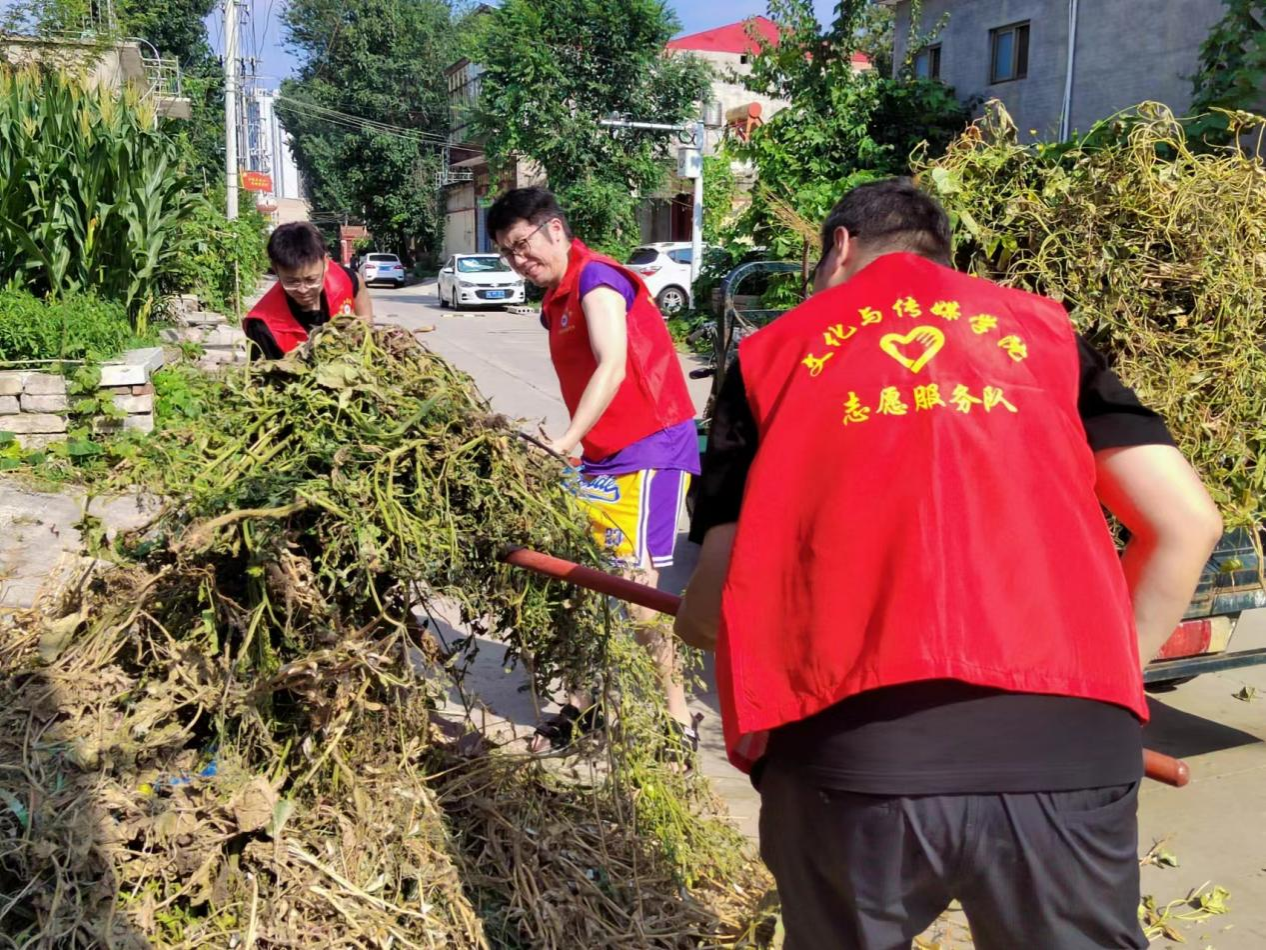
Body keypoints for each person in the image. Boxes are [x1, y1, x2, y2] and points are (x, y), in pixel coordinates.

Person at [674, 178, 1223, 949]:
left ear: (840, 248)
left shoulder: (775, 353)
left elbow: (719, 592)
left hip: (857, 761)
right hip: (1069, 748)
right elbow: (1188, 524)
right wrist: (1106, 677)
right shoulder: (1045, 335)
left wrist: (695, 622)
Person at [486, 187, 702, 755]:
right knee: (582, 579)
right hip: (604, 455)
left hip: (651, 447)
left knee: (636, 592)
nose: (518, 260)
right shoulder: (554, 299)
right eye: (507, 252)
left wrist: (566, 440)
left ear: (554, 229)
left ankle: (678, 718)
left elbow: (612, 364)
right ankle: (585, 705)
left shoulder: (597, 279)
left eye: (522, 245)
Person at [244, 222, 374, 360]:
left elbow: (358, 283)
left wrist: (366, 331)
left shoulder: (342, 279)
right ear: (275, 269)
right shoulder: (261, 326)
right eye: (292, 282)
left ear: (325, 263)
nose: (303, 290)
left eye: (311, 280)